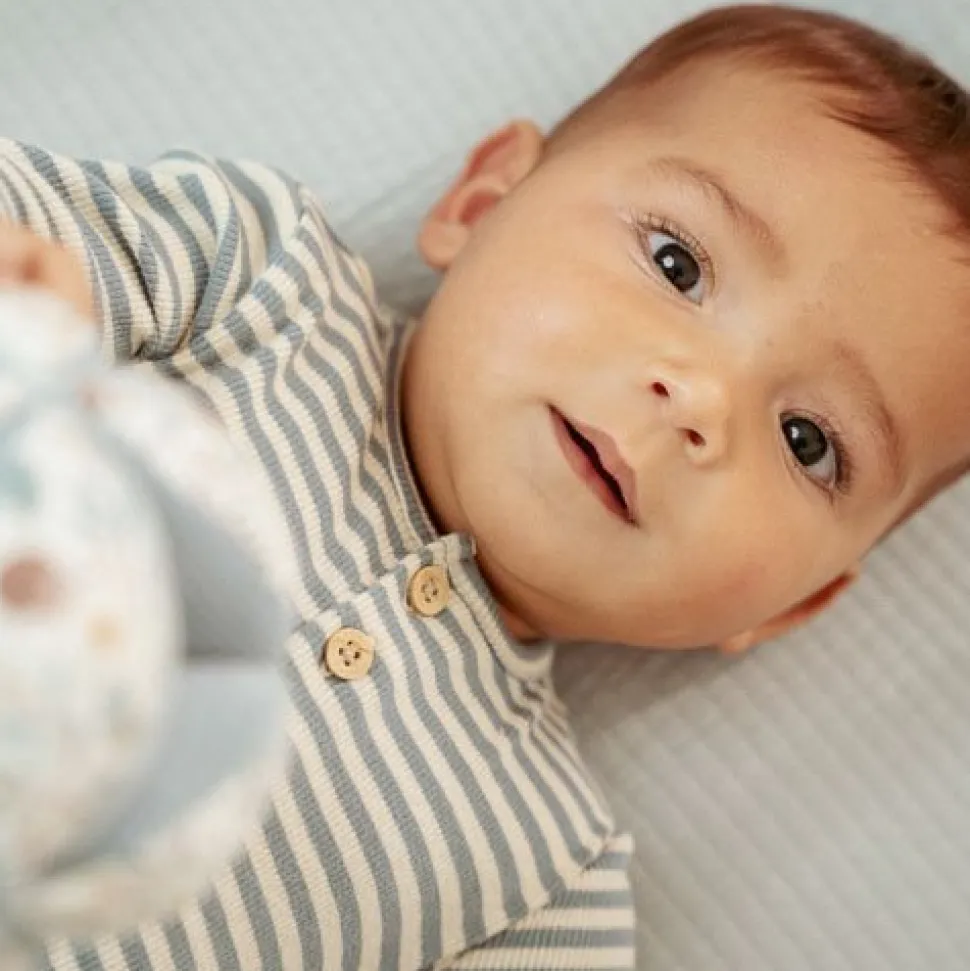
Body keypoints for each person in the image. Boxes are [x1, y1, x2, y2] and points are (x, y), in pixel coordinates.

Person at [4, 5, 970, 968]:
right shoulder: (257, 276)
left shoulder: (545, 881)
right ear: (480, 202)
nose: (703, 399)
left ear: (794, 601)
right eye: (678, 264)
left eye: (808, 441)